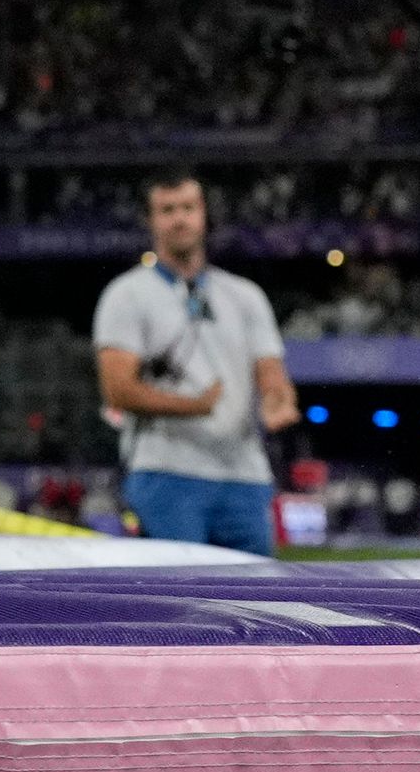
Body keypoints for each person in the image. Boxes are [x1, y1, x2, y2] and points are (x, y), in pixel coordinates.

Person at [92, 168, 296, 554]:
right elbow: (117, 390)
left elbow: (271, 371)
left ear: (204, 214)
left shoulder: (245, 295)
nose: (180, 218)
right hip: (166, 473)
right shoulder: (126, 295)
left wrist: (277, 399)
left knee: (255, 603)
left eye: (188, 207)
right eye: (167, 210)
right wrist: (196, 407)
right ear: (151, 221)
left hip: (245, 473)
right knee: (178, 608)